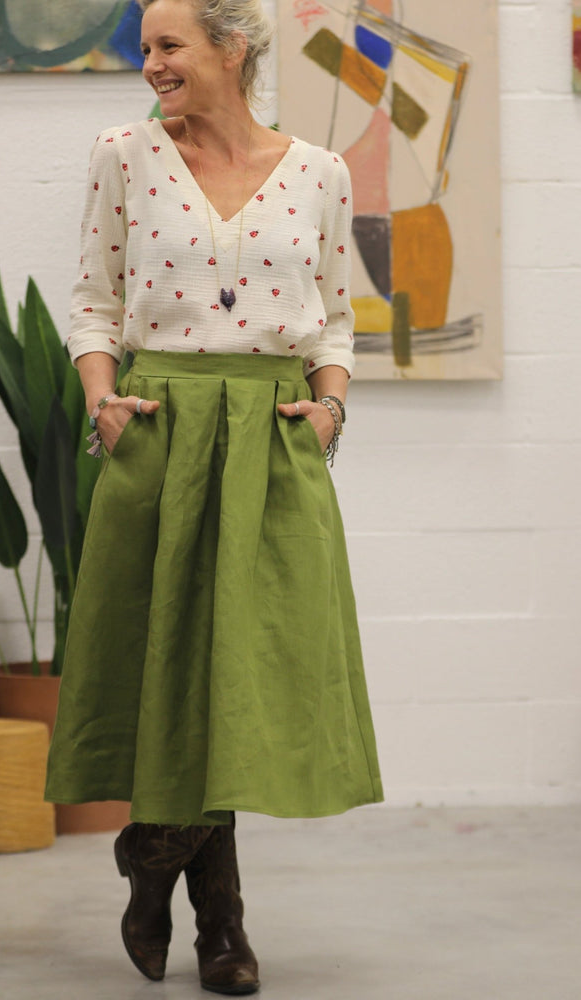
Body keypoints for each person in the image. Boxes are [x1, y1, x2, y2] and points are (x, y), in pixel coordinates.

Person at [45, 0, 384, 992]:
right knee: (172, 669)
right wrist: (103, 402)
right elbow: (94, 299)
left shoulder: (320, 173)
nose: (150, 63)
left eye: (169, 45)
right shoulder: (123, 155)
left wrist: (330, 411)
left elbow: (335, 319)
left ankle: (157, 856)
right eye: (144, 47)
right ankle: (221, 929)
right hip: (160, 430)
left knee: (244, 672)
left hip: (273, 438)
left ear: (232, 48)